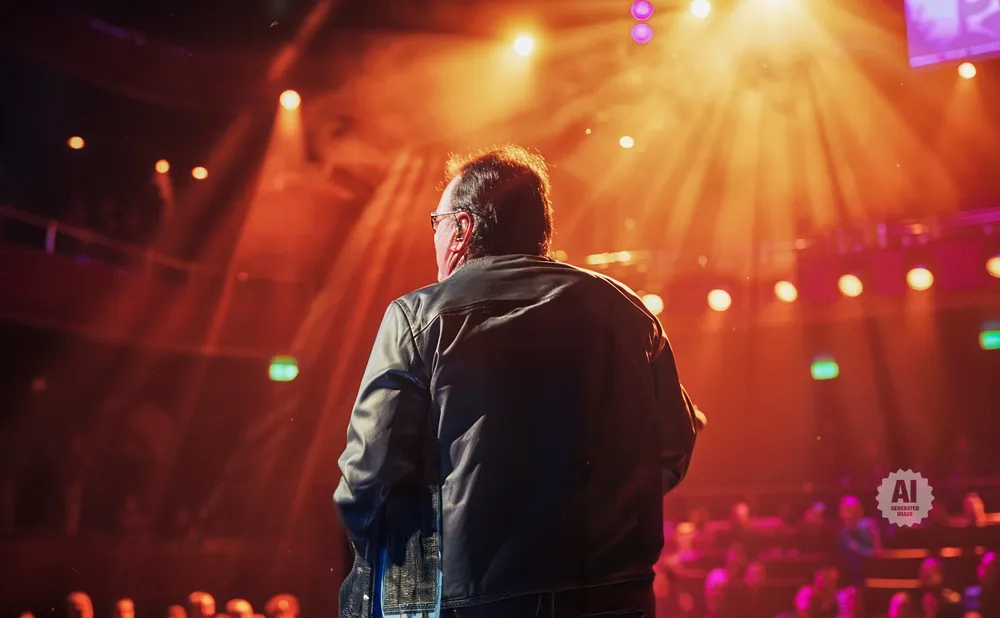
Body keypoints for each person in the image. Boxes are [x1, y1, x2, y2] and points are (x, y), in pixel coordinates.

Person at [334, 145, 700, 618]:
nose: (435, 236)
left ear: (462, 229)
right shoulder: (627, 310)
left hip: (478, 597)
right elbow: (672, 450)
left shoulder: (418, 317)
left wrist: (381, 546)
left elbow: (367, 474)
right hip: (613, 595)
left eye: (436, 222)